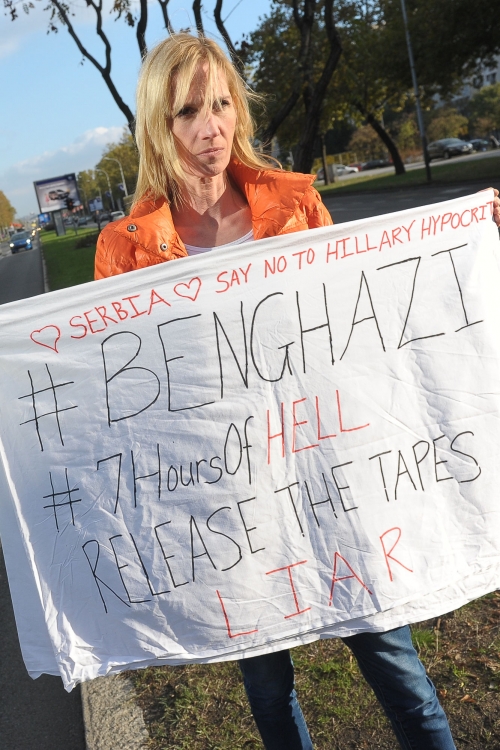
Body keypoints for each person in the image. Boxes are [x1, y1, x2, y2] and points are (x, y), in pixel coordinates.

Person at [95, 33, 500, 750]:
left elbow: (356, 324)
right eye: (189, 111)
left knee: (398, 667)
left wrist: (459, 238)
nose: (211, 126)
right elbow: (126, 399)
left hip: (329, 473)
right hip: (229, 503)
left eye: (222, 104)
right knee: (267, 688)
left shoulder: (296, 204)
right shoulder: (125, 248)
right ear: (159, 124)